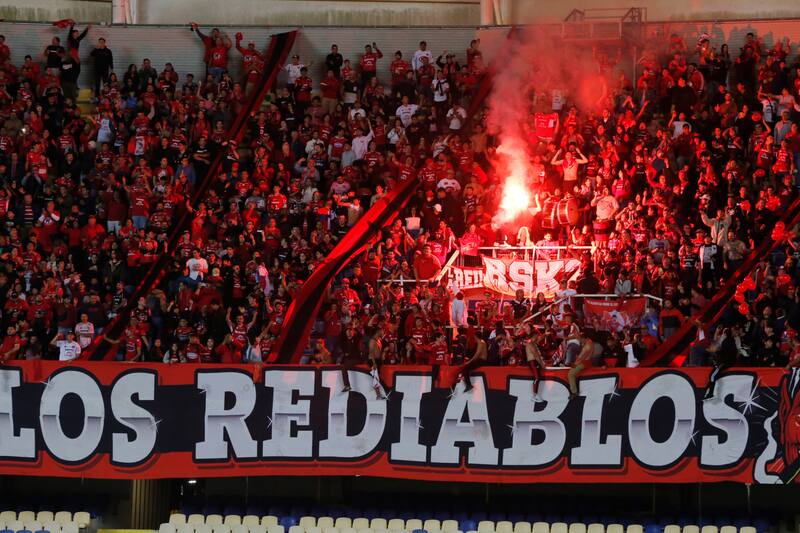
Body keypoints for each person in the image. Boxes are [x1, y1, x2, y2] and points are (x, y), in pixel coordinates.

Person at [568, 331, 594, 400]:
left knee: (570, 374)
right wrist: (567, 338)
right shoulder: (588, 341)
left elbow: (582, 358)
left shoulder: (587, 346)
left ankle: (574, 392)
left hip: (584, 362)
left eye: (580, 339)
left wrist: (574, 365)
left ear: (583, 338)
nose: (579, 340)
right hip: (585, 361)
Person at [525, 326, 546, 402]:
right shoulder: (531, 344)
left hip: (533, 361)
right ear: (533, 337)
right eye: (536, 337)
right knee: (537, 378)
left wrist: (544, 335)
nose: (537, 338)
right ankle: (534, 395)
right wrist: (542, 364)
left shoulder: (532, 343)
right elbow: (536, 355)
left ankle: (535, 395)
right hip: (532, 361)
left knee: (537, 377)